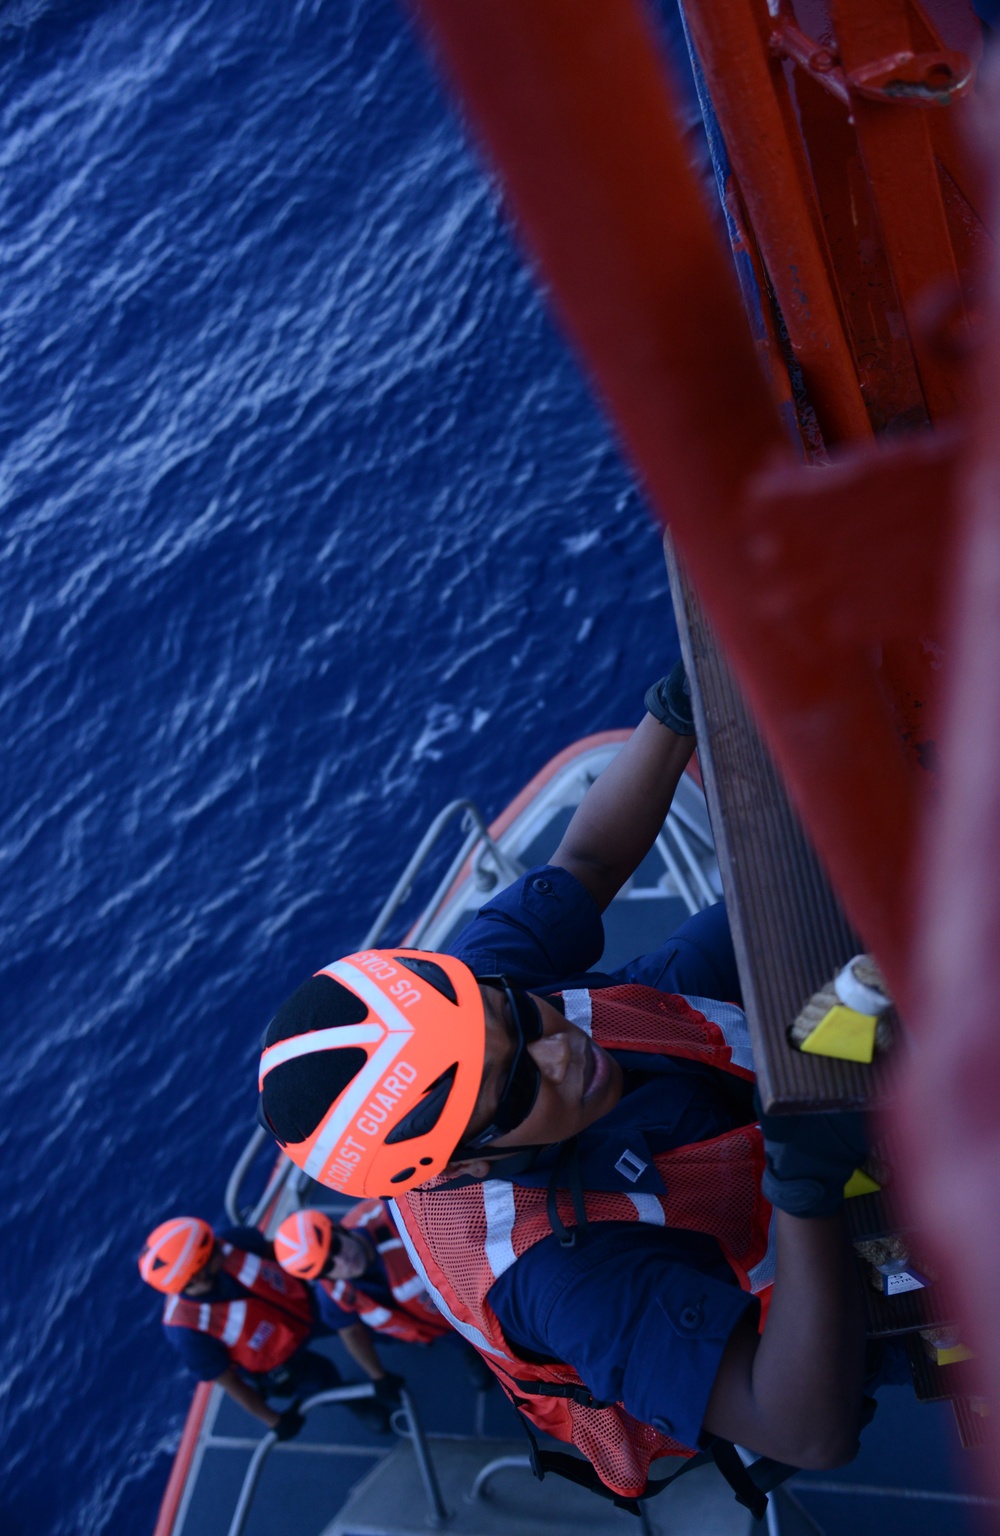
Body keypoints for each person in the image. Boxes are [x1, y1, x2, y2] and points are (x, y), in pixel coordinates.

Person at [255, 664, 868, 1509]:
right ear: (461, 1168)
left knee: (805, 875)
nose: (563, 1051)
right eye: (511, 1089)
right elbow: (807, 1427)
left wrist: (676, 707)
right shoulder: (559, 1278)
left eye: (520, 1013)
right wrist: (805, 1185)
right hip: (744, 1256)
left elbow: (585, 858)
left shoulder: (466, 998)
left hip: (679, 1046)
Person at [139, 1216, 394, 1437]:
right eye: (212, 1251)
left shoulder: (233, 1241)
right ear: (197, 1276)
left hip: (304, 1306)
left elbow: (278, 1252)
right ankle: (357, 1403)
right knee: (322, 1379)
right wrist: (275, 1420)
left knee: (363, 1322)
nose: (220, 1243)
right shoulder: (187, 1331)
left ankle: (401, 1333)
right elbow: (227, 1380)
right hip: (277, 1361)